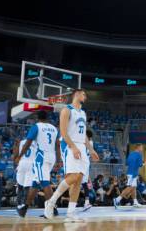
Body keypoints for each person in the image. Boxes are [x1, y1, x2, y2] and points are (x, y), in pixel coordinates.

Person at [44, 89, 99, 221]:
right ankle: (51, 202)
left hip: (81, 146)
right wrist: (73, 147)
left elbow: (83, 134)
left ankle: (70, 213)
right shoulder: (66, 110)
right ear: (76, 94)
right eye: (83, 94)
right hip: (69, 145)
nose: (85, 96)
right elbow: (63, 132)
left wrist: (91, 149)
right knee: (73, 177)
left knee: (79, 180)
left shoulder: (83, 113)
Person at [16, 110, 60, 218]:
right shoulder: (54, 128)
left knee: (45, 182)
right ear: (47, 118)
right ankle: (24, 208)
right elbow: (58, 145)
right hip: (51, 157)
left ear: (37, 118)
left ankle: (52, 209)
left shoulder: (36, 127)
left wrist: (20, 155)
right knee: (35, 183)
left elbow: (28, 143)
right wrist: (59, 161)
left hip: (41, 157)